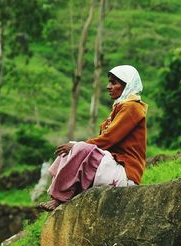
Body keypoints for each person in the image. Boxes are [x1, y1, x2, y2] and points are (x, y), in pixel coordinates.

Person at [38, 65, 148, 211]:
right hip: (113, 164)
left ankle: (60, 197)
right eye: (109, 82)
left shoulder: (132, 107)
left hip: (125, 173)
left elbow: (109, 139)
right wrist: (76, 146)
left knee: (80, 147)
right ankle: (59, 194)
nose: (108, 86)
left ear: (127, 85)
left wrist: (79, 146)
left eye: (114, 83)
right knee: (75, 146)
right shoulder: (120, 106)